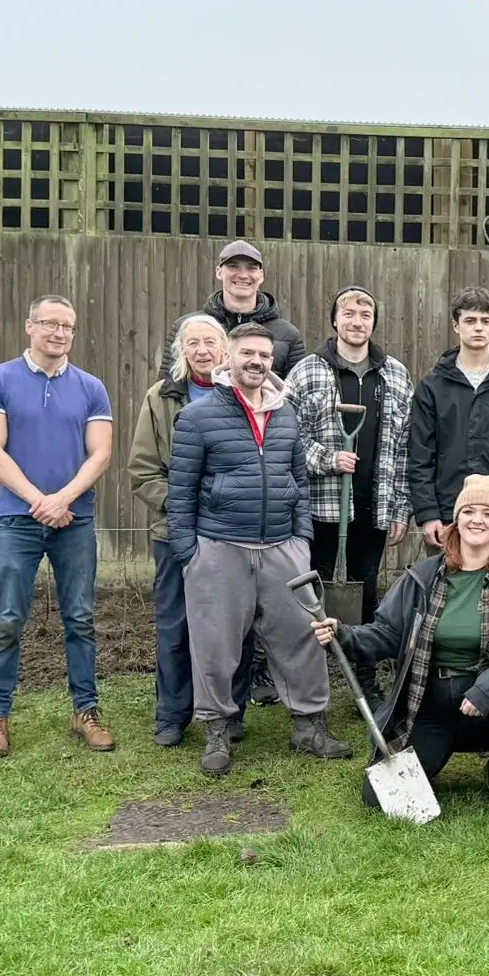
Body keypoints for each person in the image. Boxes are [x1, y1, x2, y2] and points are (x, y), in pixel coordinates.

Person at [166, 322, 350, 777]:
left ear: (273, 361)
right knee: (215, 645)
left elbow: (299, 483)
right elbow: (181, 491)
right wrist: (190, 554)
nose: (256, 362)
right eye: (247, 353)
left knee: (303, 637)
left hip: (282, 547)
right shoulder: (198, 417)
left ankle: (309, 727)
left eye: (264, 356)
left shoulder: (286, 413)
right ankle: (217, 730)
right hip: (220, 547)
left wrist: (301, 541)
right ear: (229, 357)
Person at [312, 476, 489, 806]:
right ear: (457, 518)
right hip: (429, 703)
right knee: (378, 800)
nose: (477, 520)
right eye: (469, 511)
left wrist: (487, 689)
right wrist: (343, 634)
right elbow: (385, 635)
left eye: (488, 513)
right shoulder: (422, 578)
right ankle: (434, 749)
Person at [0, 296, 115, 759]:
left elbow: (101, 454)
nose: (59, 333)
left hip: (75, 518)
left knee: (81, 618)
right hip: (17, 518)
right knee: (9, 618)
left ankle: (86, 711)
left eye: (68, 326)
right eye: (50, 323)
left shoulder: (91, 387)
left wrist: (64, 499)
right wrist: (39, 501)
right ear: (30, 326)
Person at [125, 312, 251, 749]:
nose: (202, 351)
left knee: (234, 625)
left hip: (232, 533)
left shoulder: (241, 397)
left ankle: (231, 713)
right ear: (181, 351)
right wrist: (186, 505)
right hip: (174, 532)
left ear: (224, 350)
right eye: (192, 343)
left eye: (210, 342)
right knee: (175, 625)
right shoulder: (161, 398)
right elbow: (142, 472)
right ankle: (172, 715)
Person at [283, 286, 413, 625]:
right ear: (335, 321)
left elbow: (405, 449)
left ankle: (363, 665)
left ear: (374, 323)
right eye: (349, 314)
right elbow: (288, 437)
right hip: (319, 504)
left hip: (374, 501)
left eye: (365, 315)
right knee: (313, 584)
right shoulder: (307, 371)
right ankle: (312, 664)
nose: (357, 322)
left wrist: (401, 508)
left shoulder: (396, 375)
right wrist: (328, 459)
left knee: (367, 584)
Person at [408, 287, 489, 550]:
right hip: (446, 514)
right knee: (444, 587)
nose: (478, 328)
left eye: (485, 321)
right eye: (470, 321)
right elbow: (420, 454)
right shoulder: (432, 385)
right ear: (456, 325)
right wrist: (428, 512)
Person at [162, 239, 305, 378]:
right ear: (219, 272)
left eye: (251, 268)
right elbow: (168, 387)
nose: (243, 275)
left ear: (261, 275)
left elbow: (296, 395)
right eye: (233, 266)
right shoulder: (186, 327)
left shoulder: (288, 335)